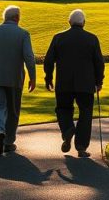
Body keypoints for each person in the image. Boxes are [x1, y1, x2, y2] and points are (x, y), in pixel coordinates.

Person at [44, 9, 105, 158]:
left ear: (69, 22)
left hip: (63, 83)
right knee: (85, 112)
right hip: (86, 83)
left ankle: (67, 130)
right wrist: (99, 81)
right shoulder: (92, 39)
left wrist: (48, 77)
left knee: (63, 109)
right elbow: (99, 63)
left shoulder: (58, 38)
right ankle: (81, 146)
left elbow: (49, 60)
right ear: (84, 23)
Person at [0, 5, 36, 156]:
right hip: (14, 78)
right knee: (13, 110)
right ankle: (8, 142)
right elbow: (29, 57)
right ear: (17, 18)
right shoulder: (23, 34)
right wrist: (33, 77)